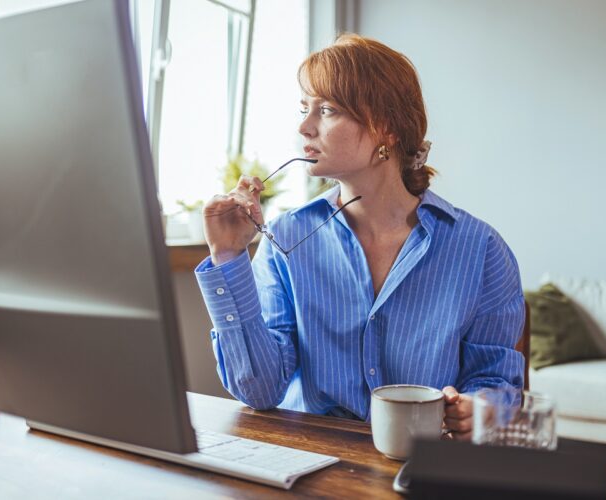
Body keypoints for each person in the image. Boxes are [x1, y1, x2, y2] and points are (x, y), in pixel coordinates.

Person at [195, 34, 524, 441]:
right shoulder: (286, 236)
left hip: (418, 465)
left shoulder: (482, 250)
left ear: (384, 125)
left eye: (327, 109)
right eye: (304, 108)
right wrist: (228, 256)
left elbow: (500, 385)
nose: (304, 126)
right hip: (310, 462)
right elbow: (259, 390)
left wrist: (482, 408)